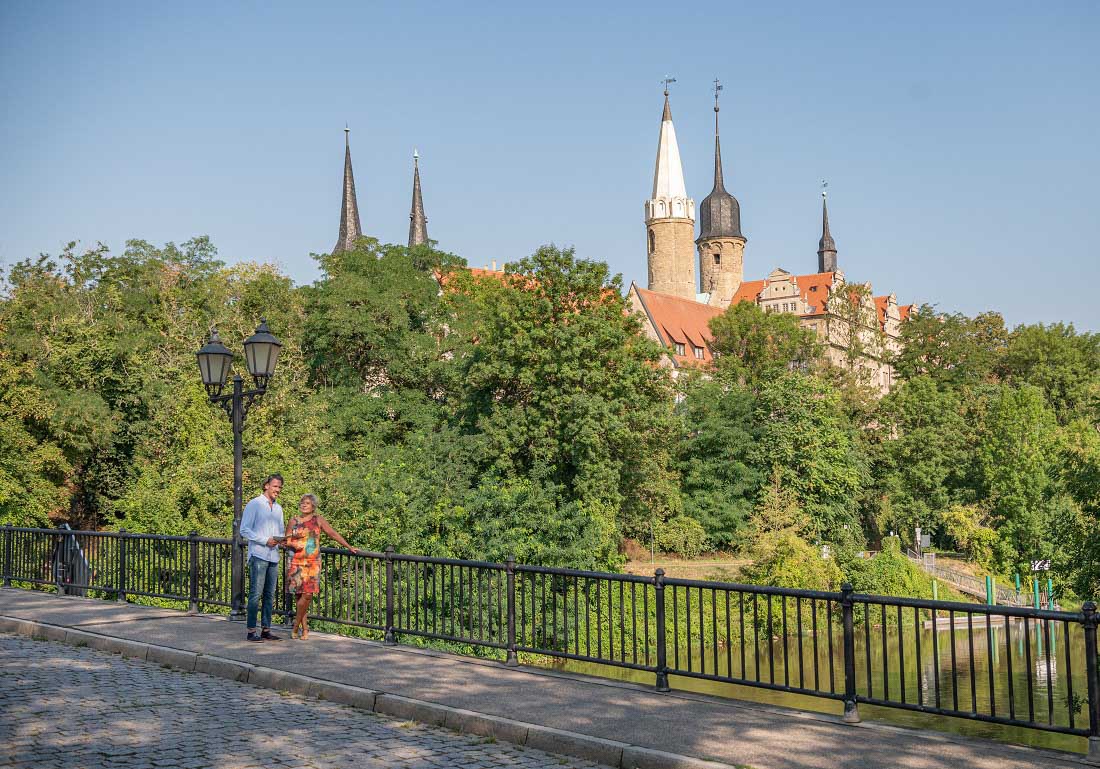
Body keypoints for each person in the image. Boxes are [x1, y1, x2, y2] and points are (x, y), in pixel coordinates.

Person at [285, 493, 358, 639]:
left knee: (307, 595)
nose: (304, 505)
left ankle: (295, 626)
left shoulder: (317, 519)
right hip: (296, 561)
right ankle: (304, 629)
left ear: (313, 506)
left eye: (307, 503)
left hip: (312, 563)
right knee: (299, 596)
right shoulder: (293, 520)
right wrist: (295, 543)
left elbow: (332, 533)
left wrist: (349, 547)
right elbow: (286, 540)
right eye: (302, 503)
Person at [239, 473, 285, 642]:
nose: (277, 490)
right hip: (259, 554)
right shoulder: (255, 504)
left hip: (273, 556)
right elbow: (244, 530)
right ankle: (251, 631)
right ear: (266, 485)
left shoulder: (278, 508)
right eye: (275, 486)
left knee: (269, 594)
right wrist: (265, 540)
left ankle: (266, 629)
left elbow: (280, 531)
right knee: (255, 594)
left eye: (280, 487)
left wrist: (281, 541)